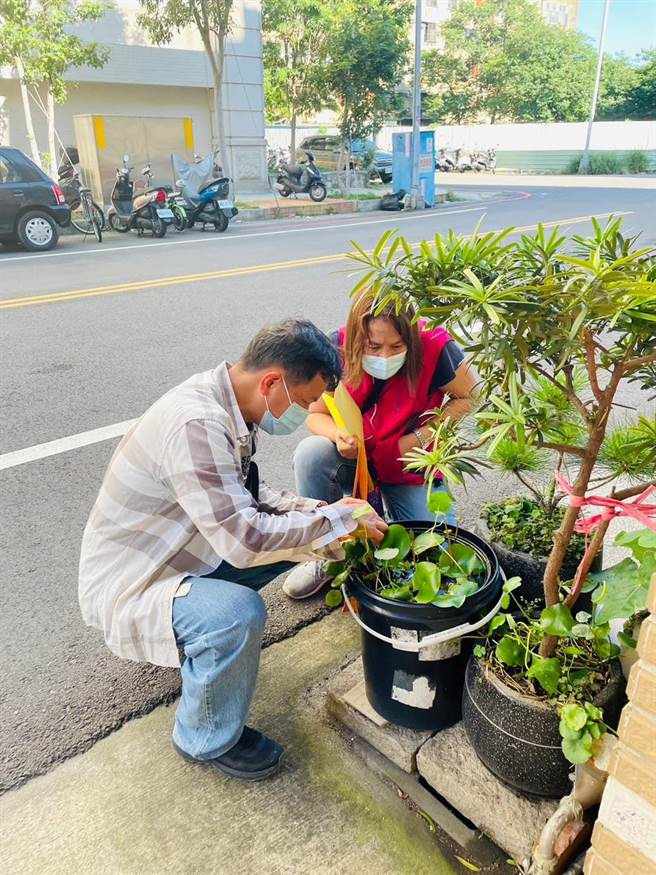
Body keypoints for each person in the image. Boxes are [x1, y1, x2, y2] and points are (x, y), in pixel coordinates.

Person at [79, 320, 387, 781]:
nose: (303, 415)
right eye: (303, 403)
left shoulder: (232, 404)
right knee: (236, 614)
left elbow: (251, 499)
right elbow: (246, 541)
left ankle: (198, 643)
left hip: (185, 549)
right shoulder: (197, 424)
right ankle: (202, 737)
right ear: (271, 381)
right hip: (138, 579)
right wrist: (337, 520)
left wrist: (330, 511)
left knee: (300, 539)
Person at [284, 292, 478, 600]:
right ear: (358, 339)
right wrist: (338, 436)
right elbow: (315, 415)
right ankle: (323, 551)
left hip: (409, 462)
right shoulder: (337, 350)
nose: (385, 357)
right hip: (356, 459)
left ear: (411, 340)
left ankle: (386, 525)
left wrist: (418, 439)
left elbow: (469, 396)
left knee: (440, 554)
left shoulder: (436, 347)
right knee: (311, 453)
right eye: (374, 347)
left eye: (397, 347)